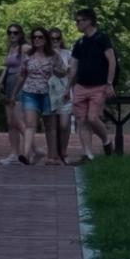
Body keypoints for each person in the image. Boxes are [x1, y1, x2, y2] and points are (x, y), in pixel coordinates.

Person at [14, 27, 68, 166]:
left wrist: (57, 70)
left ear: (46, 40)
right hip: (30, 93)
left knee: (50, 126)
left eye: (40, 37)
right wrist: (14, 93)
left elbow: (63, 72)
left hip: (48, 94)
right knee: (30, 124)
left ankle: (52, 156)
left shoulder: (53, 55)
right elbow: (22, 74)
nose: (37, 40)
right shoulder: (28, 55)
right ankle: (25, 154)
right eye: (34, 37)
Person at [70, 8, 118, 161]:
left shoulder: (102, 38)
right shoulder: (79, 43)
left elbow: (112, 60)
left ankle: (106, 141)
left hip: (98, 86)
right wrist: (67, 88)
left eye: (79, 20)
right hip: (81, 86)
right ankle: (88, 154)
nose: (77, 24)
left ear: (88, 21)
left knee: (92, 118)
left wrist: (109, 83)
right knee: (82, 121)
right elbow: (73, 67)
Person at [0, 23, 27, 166]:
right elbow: (7, 66)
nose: (12, 35)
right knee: (10, 122)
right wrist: (0, 81)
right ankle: (14, 153)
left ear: (21, 34)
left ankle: (33, 149)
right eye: (9, 33)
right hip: (8, 83)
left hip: (19, 84)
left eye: (15, 33)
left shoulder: (24, 48)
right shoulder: (11, 48)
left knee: (18, 121)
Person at [47, 27, 75, 165]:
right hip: (49, 92)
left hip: (64, 91)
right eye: (52, 38)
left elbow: (67, 73)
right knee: (52, 126)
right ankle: (54, 154)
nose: (55, 41)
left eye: (57, 38)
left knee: (64, 124)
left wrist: (68, 89)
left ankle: (63, 151)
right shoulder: (44, 54)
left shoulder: (67, 53)